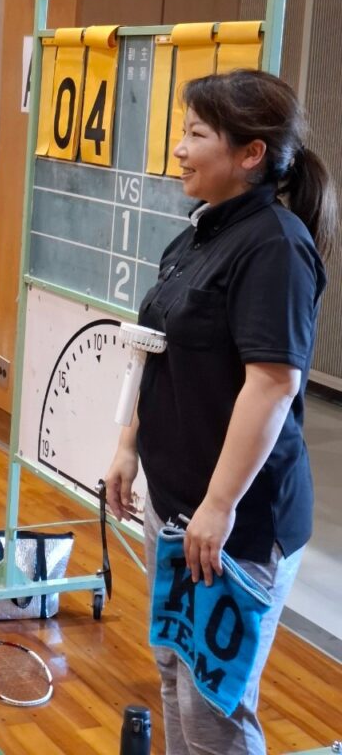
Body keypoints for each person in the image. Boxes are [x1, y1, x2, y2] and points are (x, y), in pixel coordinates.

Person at [105, 70, 337, 755]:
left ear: (250, 154)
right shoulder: (197, 237)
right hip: (176, 508)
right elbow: (155, 351)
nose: (179, 149)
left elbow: (272, 384)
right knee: (173, 673)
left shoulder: (276, 247)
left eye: (196, 135)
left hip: (235, 525)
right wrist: (127, 446)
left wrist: (219, 504)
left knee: (213, 708)